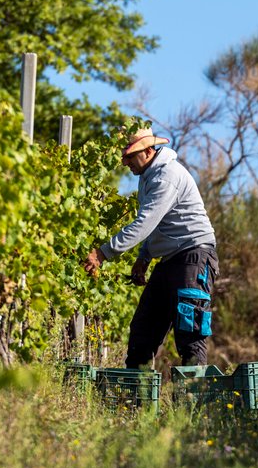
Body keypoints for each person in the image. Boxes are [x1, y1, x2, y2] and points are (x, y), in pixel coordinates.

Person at [83, 128, 219, 368]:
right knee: (143, 332)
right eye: (125, 157)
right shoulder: (148, 176)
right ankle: (138, 402)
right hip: (171, 258)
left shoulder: (166, 176)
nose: (126, 163)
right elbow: (158, 224)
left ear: (148, 151)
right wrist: (144, 257)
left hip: (194, 256)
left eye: (130, 156)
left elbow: (144, 223)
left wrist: (103, 252)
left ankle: (191, 403)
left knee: (190, 332)